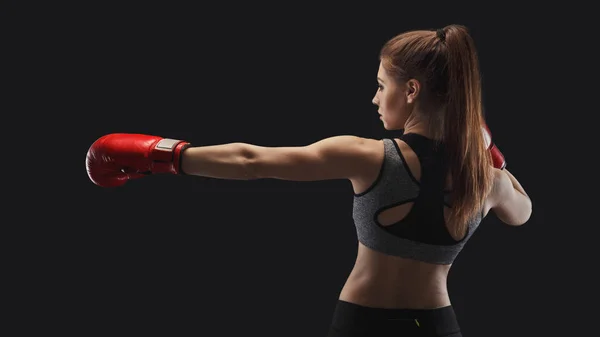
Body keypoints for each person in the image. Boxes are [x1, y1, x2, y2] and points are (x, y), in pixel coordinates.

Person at [86, 24, 532, 337]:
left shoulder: (368, 156)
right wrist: (487, 151)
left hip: (362, 322)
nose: (375, 97)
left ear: (411, 90)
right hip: (436, 325)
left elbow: (251, 160)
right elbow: (523, 214)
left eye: (381, 85)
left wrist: (165, 155)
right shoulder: (488, 180)